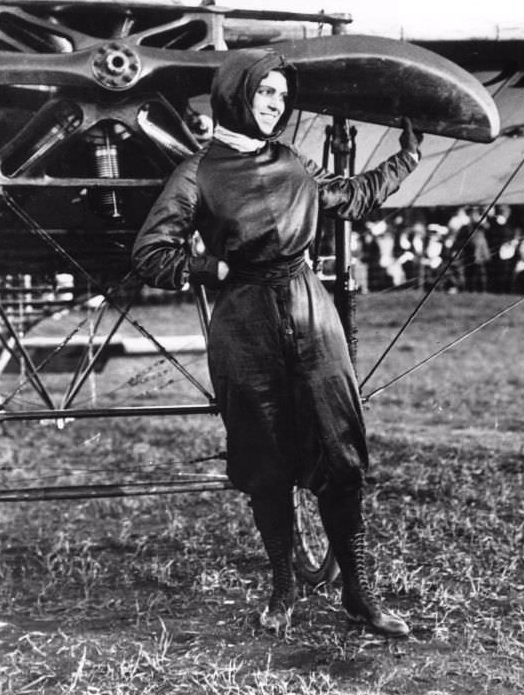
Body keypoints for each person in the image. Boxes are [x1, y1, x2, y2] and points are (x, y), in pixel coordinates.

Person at [131, 48, 422, 637]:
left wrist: (406, 160)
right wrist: (210, 269)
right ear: (237, 94)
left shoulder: (293, 163)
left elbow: (352, 195)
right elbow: (150, 255)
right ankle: (283, 587)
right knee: (265, 465)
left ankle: (360, 596)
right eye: (265, 94)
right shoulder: (196, 173)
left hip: (312, 315)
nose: (275, 106)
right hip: (244, 325)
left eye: (282, 97)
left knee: (341, 459)